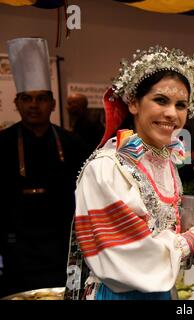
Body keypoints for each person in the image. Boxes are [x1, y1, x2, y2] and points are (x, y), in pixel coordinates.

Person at [66, 46, 194, 300]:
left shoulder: (165, 164)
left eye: (181, 104)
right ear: (133, 102)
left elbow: (163, 229)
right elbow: (132, 257)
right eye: (161, 100)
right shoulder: (107, 168)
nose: (172, 114)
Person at [0, 38, 88, 297]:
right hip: (18, 254)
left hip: (64, 252)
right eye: (27, 99)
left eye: (40, 98)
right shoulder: (2, 145)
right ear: (16, 103)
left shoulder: (75, 145)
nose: (33, 105)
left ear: (52, 103)